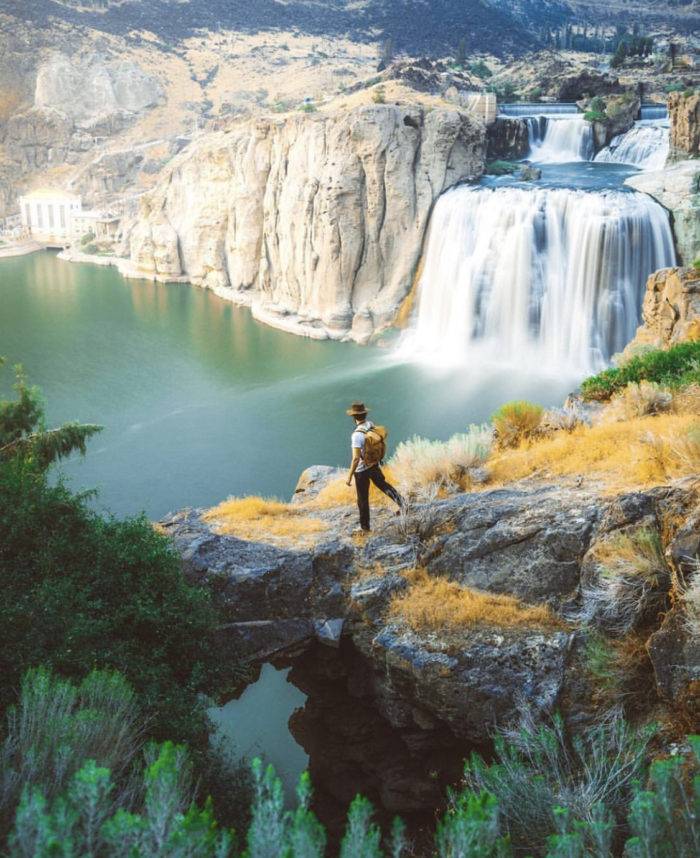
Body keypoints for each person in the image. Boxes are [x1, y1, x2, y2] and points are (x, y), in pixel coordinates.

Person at [345, 401, 404, 532]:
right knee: (384, 485)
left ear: (353, 417)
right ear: (365, 414)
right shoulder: (370, 425)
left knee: (362, 499)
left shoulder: (356, 435)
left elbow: (355, 459)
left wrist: (349, 477)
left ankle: (365, 528)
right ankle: (404, 504)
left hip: (361, 471)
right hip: (373, 464)